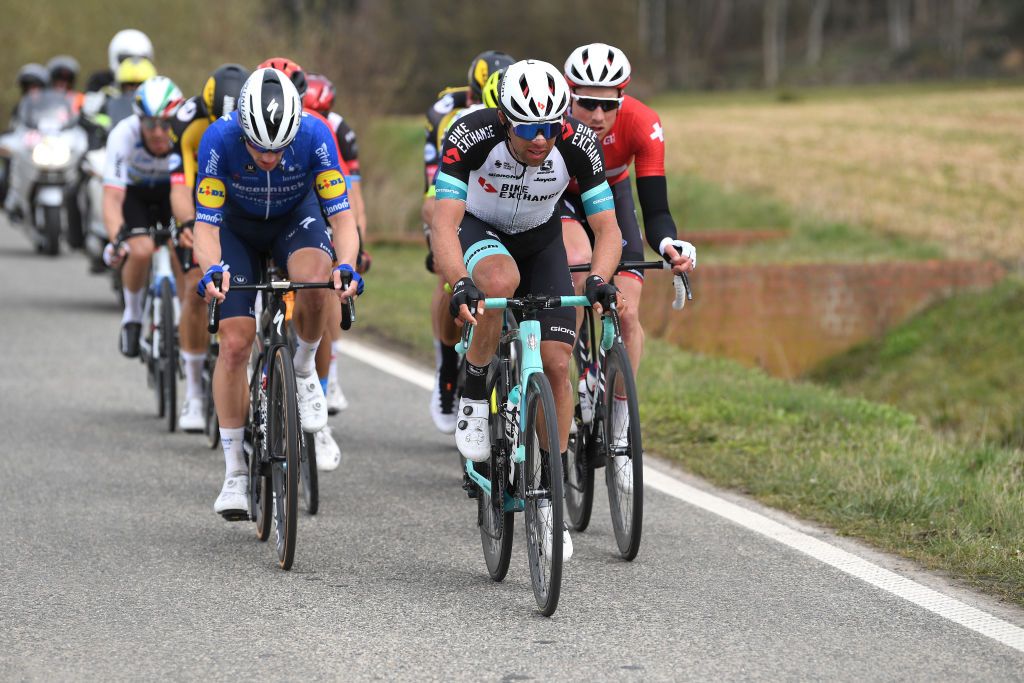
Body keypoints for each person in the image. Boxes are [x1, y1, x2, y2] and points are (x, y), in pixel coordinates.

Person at [432, 59, 624, 559]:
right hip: (481, 230)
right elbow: (443, 221)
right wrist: (458, 284)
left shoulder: (578, 143)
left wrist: (601, 280)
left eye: (549, 127)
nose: (540, 140)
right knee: (498, 283)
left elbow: (608, 228)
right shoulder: (470, 134)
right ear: (503, 119)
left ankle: (550, 493)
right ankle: (474, 392)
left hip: (541, 240)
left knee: (559, 363)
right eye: (527, 128)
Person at [192, 68, 362, 517]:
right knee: (233, 343)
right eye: (258, 147)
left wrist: (345, 264)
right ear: (242, 127)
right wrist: (211, 270)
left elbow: (343, 219)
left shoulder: (315, 133)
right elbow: (205, 226)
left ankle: (304, 371)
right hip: (237, 230)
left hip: (295, 220)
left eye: (279, 148)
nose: (269, 158)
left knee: (314, 277)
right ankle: (234, 473)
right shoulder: (218, 138)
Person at [560, 43, 695, 457]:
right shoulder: (550, 122)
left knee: (628, 309)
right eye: (586, 103)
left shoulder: (642, 122)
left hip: (612, 197)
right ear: (568, 96)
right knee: (579, 269)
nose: (598, 116)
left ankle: (620, 412)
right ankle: (570, 377)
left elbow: (655, 208)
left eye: (607, 104)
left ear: (622, 99)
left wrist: (671, 244)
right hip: (560, 198)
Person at [422, 50, 514, 435]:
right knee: (448, 271)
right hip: (456, 192)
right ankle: (447, 367)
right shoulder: (453, 117)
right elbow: (437, 193)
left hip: (511, 201)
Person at [168, 63, 249, 432]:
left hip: (244, 199)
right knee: (193, 286)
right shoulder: (188, 123)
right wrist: (188, 225)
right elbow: (182, 187)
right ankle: (195, 396)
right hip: (202, 197)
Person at [100, 76, 185, 358]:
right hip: (134, 194)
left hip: (172, 192)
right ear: (139, 122)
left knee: (182, 247)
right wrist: (116, 240)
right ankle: (133, 315)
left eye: (165, 123)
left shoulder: (185, 134)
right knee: (140, 250)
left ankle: (187, 317)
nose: (159, 132)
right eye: (150, 124)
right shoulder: (123, 135)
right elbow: (112, 199)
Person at [85, 29, 153, 94]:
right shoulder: (99, 85)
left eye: (141, 60)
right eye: (126, 60)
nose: (133, 66)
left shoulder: (155, 87)